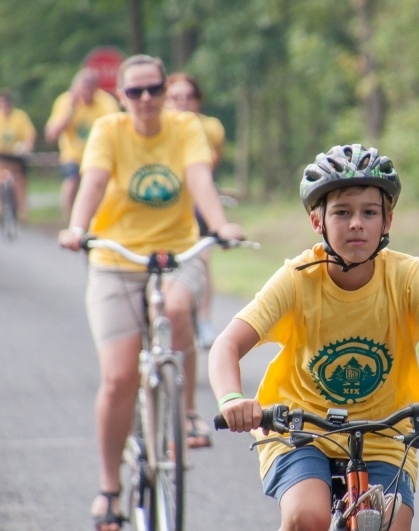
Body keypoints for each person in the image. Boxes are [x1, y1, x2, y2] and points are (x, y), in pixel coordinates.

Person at [209, 144, 419, 531]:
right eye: (342, 212)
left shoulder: (407, 278)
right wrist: (232, 399)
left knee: (392, 520)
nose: (356, 223)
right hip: (301, 431)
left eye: (369, 213)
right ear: (317, 221)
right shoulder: (298, 278)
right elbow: (227, 345)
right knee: (306, 516)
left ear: (387, 220)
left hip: (386, 436)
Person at [57, 54, 244, 531]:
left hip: (177, 253)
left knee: (179, 307)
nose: (145, 99)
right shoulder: (108, 131)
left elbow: (201, 180)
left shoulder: (185, 128)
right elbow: (93, 181)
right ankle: (109, 488)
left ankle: (184, 414)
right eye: (134, 91)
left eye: (154, 89)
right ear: (120, 96)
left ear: (165, 90)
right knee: (119, 378)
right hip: (115, 261)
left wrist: (220, 226)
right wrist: (78, 227)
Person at [165, 72, 226, 351]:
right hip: (168, 203)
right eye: (176, 97)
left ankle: (203, 319)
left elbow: (211, 163)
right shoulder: (159, 129)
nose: (183, 102)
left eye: (188, 97)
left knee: (202, 256)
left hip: (198, 200)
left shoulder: (210, 128)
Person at [44, 68, 120, 221]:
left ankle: (99, 218)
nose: (85, 94)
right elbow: (51, 134)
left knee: (103, 185)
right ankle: (72, 221)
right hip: (73, 154)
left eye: (89, 90)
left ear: (96, 89)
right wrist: (70, 111)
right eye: (82, 89)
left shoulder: (106, 102)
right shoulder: (65, 101)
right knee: (72, 182)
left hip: (99, 154)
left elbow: (116, 131)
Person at [0, 89, 36, 222]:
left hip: (16, 155)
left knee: (19, 180)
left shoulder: (20, 117)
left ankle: (22, 211)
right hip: (1, 155)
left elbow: (29, 134)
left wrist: (26, 145)